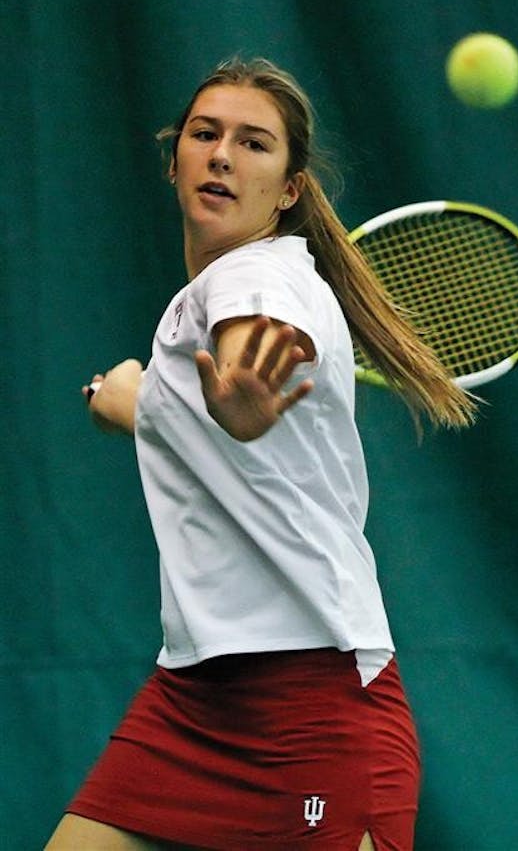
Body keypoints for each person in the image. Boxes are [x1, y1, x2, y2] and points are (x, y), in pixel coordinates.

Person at [45, 56, 475, 851]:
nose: (221, 155)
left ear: (288, 190)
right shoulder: (218, 294)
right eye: (205, 135)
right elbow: (188, 423)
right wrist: (131, 402)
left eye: (253, 144)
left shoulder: (256, 278)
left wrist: (240, 396)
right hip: (194, 693)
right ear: (172, 157)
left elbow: (245, 352)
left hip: (311, 701)